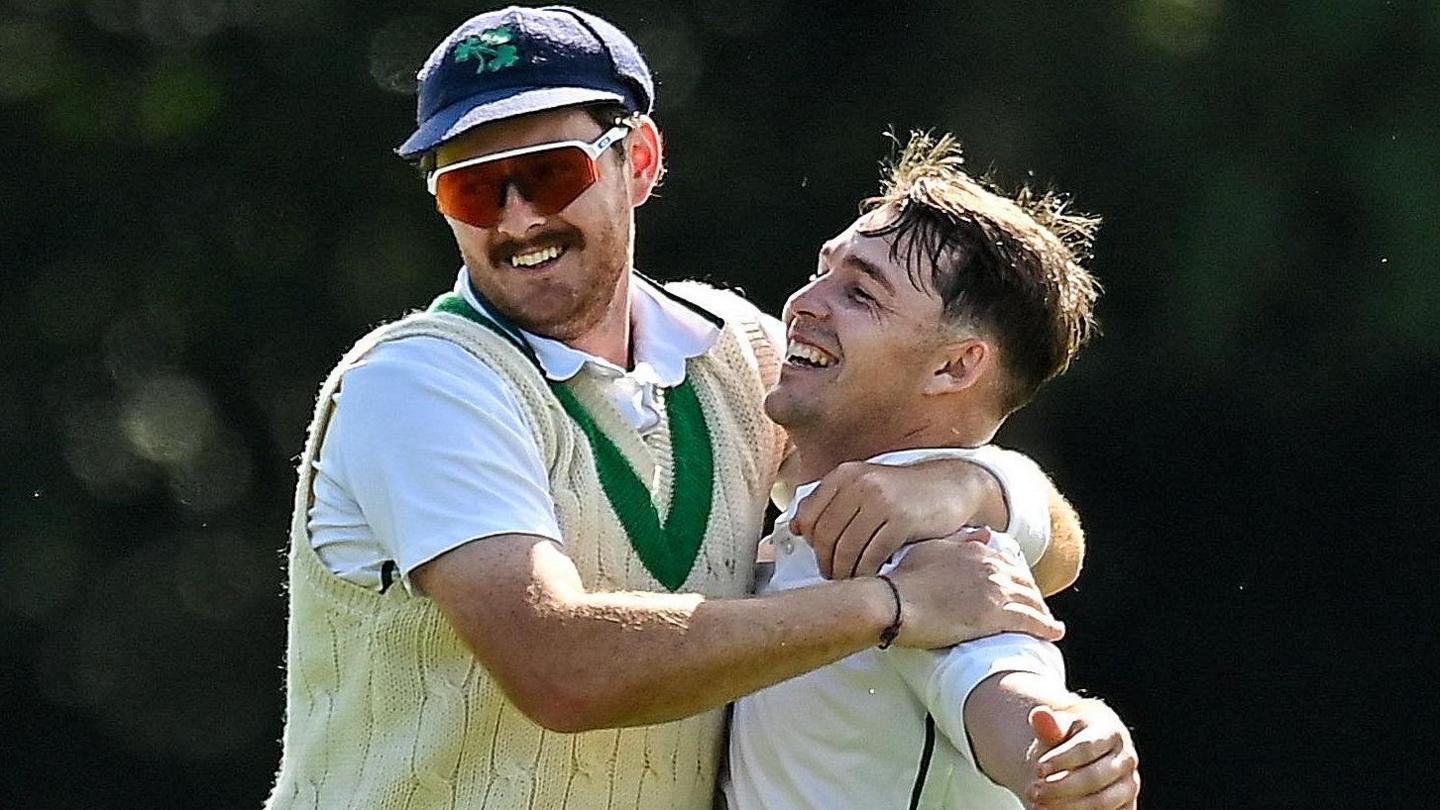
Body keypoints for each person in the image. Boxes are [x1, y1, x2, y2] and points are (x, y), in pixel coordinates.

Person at [267, 7, 1087, 809]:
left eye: (552, 171)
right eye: (475, 187)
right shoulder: (417, 383)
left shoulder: (737, 351)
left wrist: (972, 490)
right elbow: (559, 669)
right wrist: (891, 607)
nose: (519, 218)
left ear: (641, 160)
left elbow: (1053, 555)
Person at [726, 132, 1140, 809]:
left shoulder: (927, 547)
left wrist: (1067, 746)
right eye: (824, 268)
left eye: (860, 293)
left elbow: (1007, 688)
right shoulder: (818, 492)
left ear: (955, 367)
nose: (804, 301)